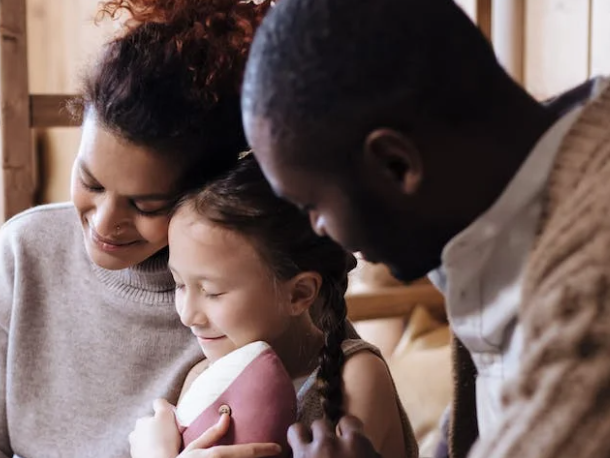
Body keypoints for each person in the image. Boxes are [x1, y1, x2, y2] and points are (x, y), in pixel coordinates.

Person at [240, 0, 610, 457]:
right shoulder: (498, 210)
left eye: (311, 205)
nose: (317, 230)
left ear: (396, 164)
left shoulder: (591, 280)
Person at [0, 1, 275, 457]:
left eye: (146, 205)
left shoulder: (248, 290)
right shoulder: (22, 256)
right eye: (91, 182)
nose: (104, 223)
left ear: (208, 189)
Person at [127, 154, 418, 458]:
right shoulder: (204, 379)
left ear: (299, 294)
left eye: (211, 291)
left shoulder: (355, 377)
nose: (188, 314)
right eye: (180, 284)